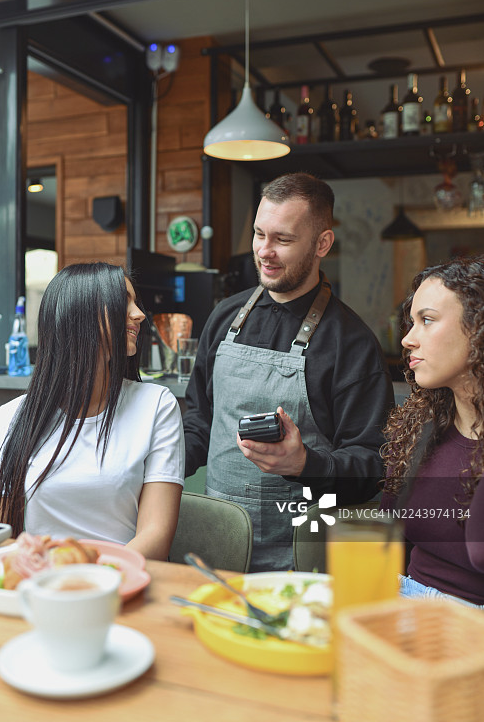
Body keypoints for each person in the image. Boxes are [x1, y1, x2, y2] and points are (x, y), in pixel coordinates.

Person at [183, 172, 394, 571]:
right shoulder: (225, 316)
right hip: (215, 545)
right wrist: (157, 464)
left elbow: (373, 465)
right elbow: (200, 420)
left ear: (322, 244)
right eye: (259, 234)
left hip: (300, 558)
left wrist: (305, 465)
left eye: (282, 239)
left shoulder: (351, 343)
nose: (265, 251)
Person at [0, 262, 185, 561]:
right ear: (80, 315)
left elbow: (155, 537)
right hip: (42, 586)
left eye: (136, 302)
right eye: (123, 301)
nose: (140, 314)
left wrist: (91, 578)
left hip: (124, 583)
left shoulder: (157, 406)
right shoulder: (12, 418)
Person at [381, 256, 484, 606]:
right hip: (403, 601)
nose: (408, 339)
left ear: (478, 329)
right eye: (412, 323)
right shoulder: (421, 428)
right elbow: (389, 537)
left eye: (427, 320)